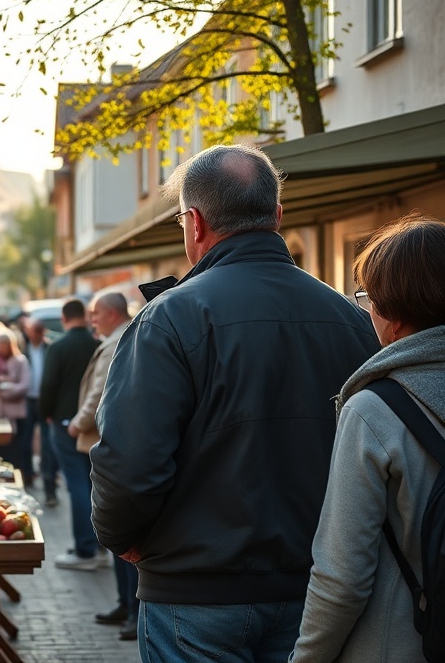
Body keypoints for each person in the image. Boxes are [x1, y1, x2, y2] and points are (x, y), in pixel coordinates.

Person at [91, 145, 381, 660]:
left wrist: (123, 538)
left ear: (194, 223)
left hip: (196, 593)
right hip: (319, 590)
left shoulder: (169, 319)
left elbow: (130, 462)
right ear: (277, 216)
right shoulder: (353, 320)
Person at [290, 214, 445, 662]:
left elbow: (342, 577)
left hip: (401, 641)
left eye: (367, 299)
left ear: (392, 313)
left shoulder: (376, 409)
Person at [68, 292, 137, 638]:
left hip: (108, 445)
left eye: (95, 313)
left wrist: (78, 422)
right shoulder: (120, 336)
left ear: (110, 314)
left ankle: (133, 609)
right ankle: (126, 604)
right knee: (116, 532)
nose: (91, 319)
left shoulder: (116, 342)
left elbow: (99, 393)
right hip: (111, 445)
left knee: (119, 529)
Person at [40, 298, 104, 571]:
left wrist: (45, 414)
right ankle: (100, 544)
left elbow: (48, 385)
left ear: (65, 319)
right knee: (96, 484)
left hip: (67, 423)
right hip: (96, 422)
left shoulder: (59, 347)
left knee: (76, 484)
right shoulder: (98, 345)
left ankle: (84, 549)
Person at [24, 318, 58, 503]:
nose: (35, 334)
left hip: (45, 402)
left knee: (47, 446)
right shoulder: (23, 350)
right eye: (32, 330)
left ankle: (49, 487)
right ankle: (27, 478)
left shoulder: (50, 349)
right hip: (27, 401)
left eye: (38, 330)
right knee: (25, 441)